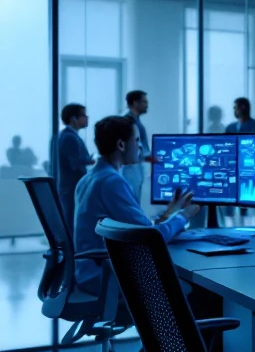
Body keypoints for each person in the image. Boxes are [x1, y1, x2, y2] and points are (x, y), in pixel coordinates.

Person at [74, 116, 199, 296]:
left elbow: (142, 229)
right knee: (195, 291)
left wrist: (170, 212)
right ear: (121, 145)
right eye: (137, 140)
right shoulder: (111, 183)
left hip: (91, 271)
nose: (140, 147)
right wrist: (184, 216)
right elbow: (151, 237)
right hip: (105, 275)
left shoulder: (91, 178)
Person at [55, 103, 95, 227]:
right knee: (72, 223)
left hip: (71, 187)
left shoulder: (69, 136)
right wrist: (89, 162)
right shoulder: (69, 137)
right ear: (73, 119)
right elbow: (75, 164)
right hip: (72, 187)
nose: (87, 118)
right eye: (83, 115)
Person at [122, 90, 153, 202]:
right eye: (144, 102)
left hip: (135, 166)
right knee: (131, 200)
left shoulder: (135, 121)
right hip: (130, 167)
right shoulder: (127, 121)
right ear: (135, 103)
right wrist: (148, 157)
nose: (147, 105)